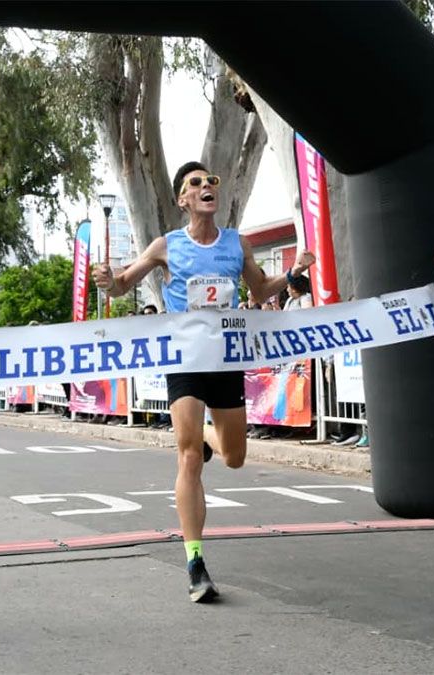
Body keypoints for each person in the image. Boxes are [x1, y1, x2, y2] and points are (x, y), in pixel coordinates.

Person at [93, 160, 315, 602]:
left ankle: (211, 438)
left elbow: (260, 291)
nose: (206, 186)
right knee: (188, 455)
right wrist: (106, 282)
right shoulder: (167, 246)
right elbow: (121, 285)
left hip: (226, 360)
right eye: (196, 183)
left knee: (234, 457)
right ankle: (195, 562)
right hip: (185, 360)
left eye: (211, 181)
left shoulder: (236, 243)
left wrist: (291, 274)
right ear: (183, 199)